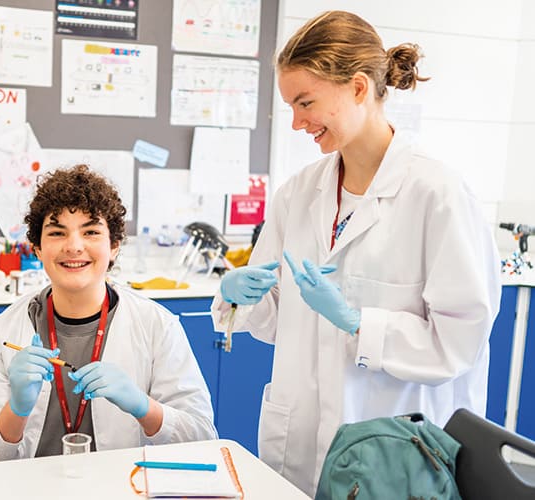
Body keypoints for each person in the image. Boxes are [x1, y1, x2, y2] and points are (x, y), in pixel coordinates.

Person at [210, 10, 501, 496]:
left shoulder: (438, 193)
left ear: (360, 88)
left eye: (307, 103)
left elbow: (460, 343)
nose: (298, 122)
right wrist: (243, 296)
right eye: (292, 107)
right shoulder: (299, 193)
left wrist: (357, 321)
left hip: (395, 455)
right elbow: (274, 322)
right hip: (300, 448)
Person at [0, 165, 216, 463]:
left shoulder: (158, 325)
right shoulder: (2, 331)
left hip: (123, 488)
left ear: (114, 246)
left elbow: (202, 438)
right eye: (57, 233)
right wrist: (15, 410)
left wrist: (144, 408)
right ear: (38, 249)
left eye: (91, 231)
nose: (74, 246)